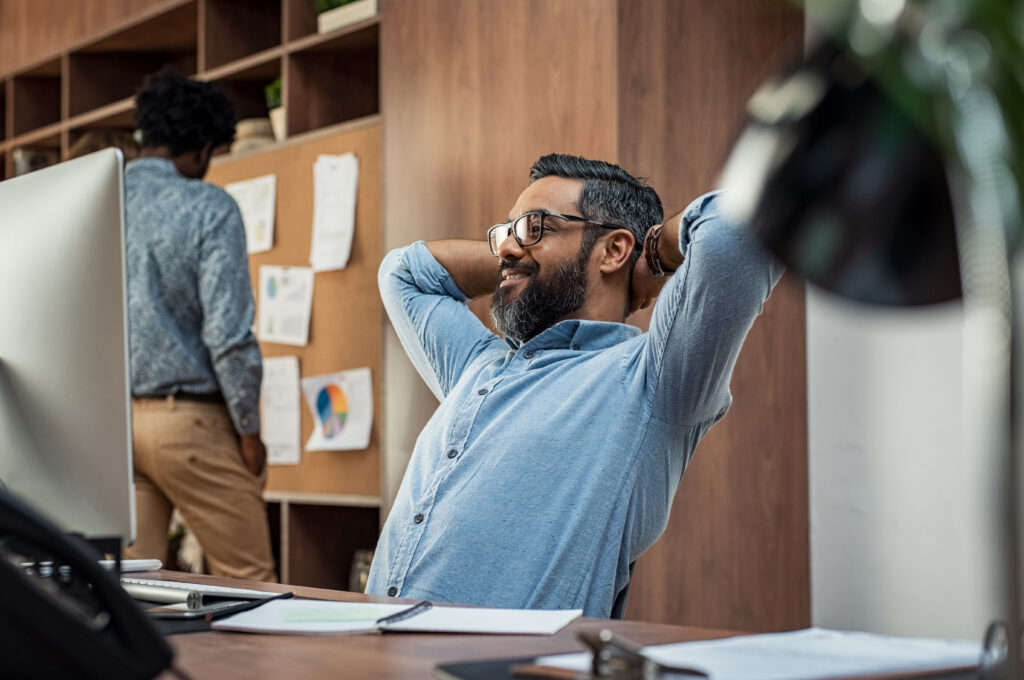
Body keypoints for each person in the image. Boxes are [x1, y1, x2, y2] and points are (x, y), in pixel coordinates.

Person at [366, 153, 783, 617]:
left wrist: (655, 254)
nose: (505, 247)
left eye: (535, 226)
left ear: (613, 250)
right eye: (508, 231)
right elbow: (403, 274)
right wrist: (519, 259)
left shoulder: (652, 379)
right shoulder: (478, 365)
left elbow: (742, 227)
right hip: (370, 653)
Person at [121, 67, 275, 582]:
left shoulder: (101, 202)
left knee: (135, 591)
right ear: (203, 146)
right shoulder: (209, 206)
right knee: (251, 585)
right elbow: (227, 334)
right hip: (190, 424)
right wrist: (249, 429)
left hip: (116, 425)